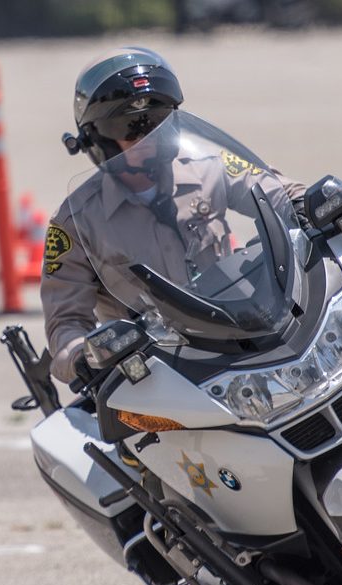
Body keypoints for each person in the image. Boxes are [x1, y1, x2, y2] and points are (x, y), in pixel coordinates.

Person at [41, 47, 306, 383]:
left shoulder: (208, 168)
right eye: (129, 126)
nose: (147, 136)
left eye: (156, 121)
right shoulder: (75, 222)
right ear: (97, 138)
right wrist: (83, 355)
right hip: (160, 372)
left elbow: (273, 188)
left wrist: (307, 203)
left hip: (243, 336)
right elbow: (65, 322)